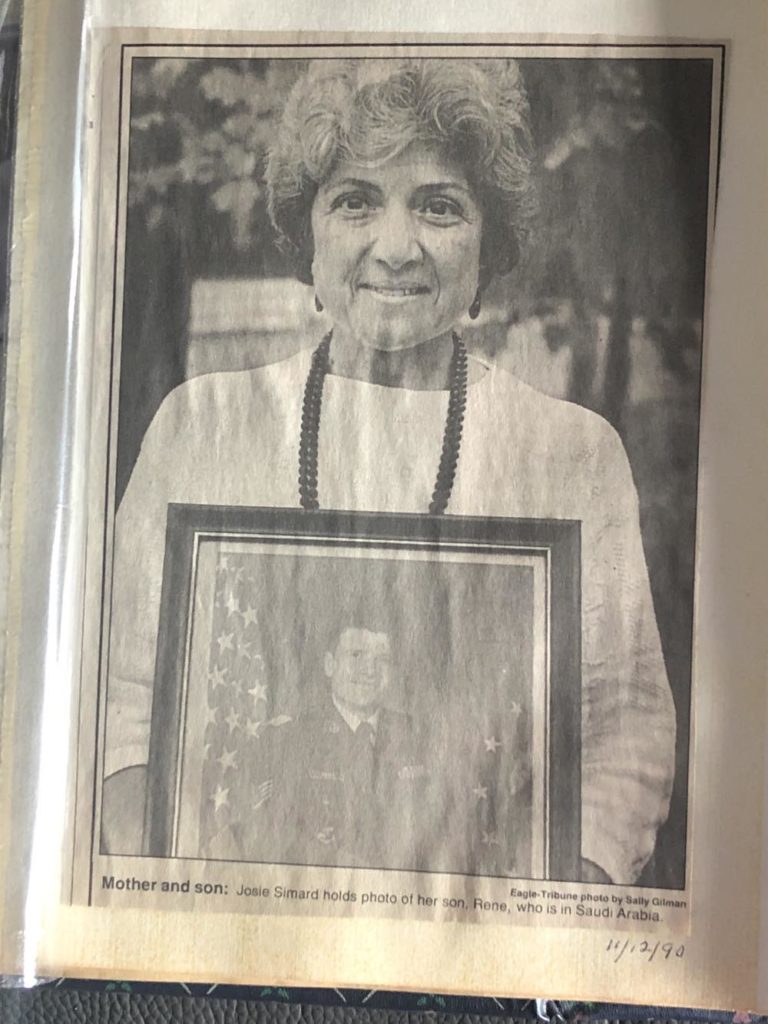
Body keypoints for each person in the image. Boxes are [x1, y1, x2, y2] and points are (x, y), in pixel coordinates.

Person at [103, 57, 676, 885]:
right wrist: (169, 885)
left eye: (439, 207)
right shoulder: (199, 428)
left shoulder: (572, 454)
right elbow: (123, 710)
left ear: (492, 243)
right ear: (309, 238)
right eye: (355, 200)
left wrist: (540, 925)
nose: (396, 246)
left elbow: (623, 735)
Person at [224, 617, 435, 870]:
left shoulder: (421, 737)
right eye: (356, 655)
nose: (370, 669)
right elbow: (269, 838)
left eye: (382, 659)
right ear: (329, 665)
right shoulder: (288, 739)